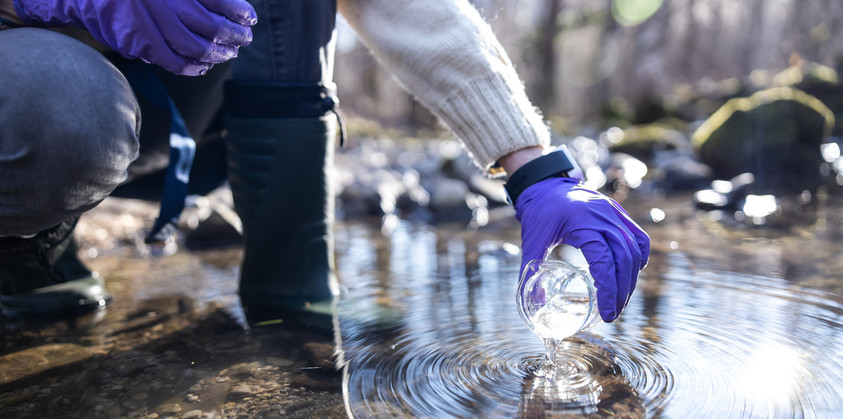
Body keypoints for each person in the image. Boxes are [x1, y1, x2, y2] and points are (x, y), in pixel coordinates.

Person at [0, 0, 649, 329]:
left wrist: (535, 167)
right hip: (36, 83)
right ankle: (23, 241)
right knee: (61, 110)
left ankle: (291, 294)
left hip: (158, 112)